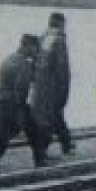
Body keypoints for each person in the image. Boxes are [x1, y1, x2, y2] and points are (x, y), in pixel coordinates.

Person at [0, 34, 42, 175]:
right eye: (35, 48)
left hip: (0, 100)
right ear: (28, 46)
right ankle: (40, 162)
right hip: (14, 103)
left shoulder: (8, 59)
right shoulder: (24, 63)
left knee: (1, 136)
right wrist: (21, 105)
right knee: (34, 132)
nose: (36, 51)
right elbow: (23, 86)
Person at [30, 12, 74, 157]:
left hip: (40, 85)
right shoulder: (59, 40)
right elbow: (62, 67)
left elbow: (34, 61)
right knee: (51, 115)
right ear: (61, 23)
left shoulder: (43, 37)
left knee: (49, 115)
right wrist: (64, 88)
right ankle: (44, 148)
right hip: (53, 85)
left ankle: (66, 142)